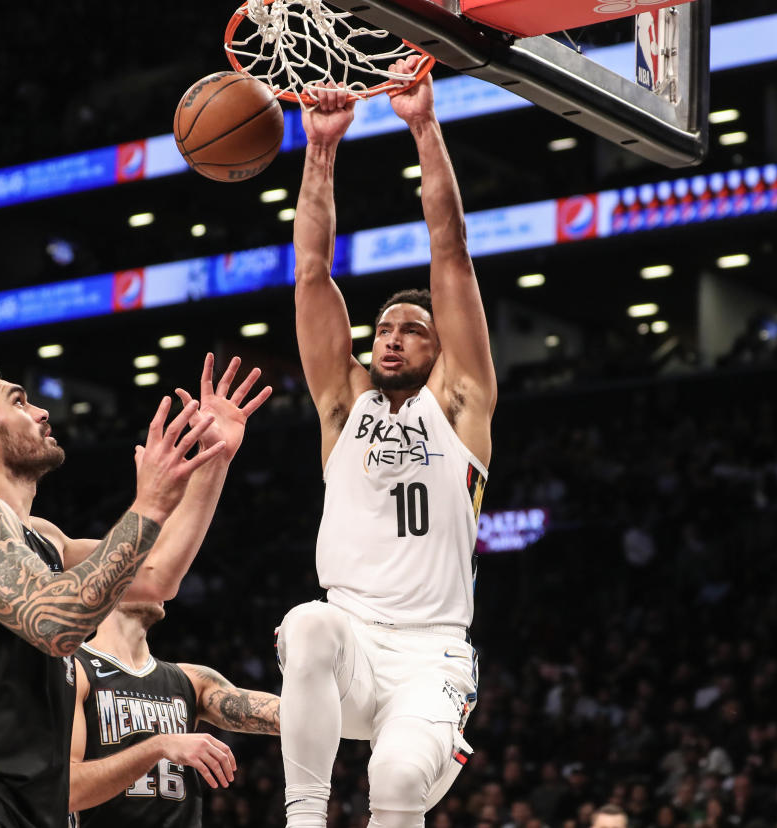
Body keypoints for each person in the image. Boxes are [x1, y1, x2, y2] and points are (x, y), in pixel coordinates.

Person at [0, 354, 270, 828]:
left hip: (36, 804)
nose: (42, 412)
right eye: (20, 402)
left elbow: (156, 575)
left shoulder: (44, 536)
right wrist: (149, 503)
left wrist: (214, 459)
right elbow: (55, 625)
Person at [278, 56, 499, 828]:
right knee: (307, 622)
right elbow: (311, 273)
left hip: (432, 653)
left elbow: (450, 252)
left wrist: (424, 126)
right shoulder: (344, 405)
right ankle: (303, 818)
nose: (393, 336)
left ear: (445, 353)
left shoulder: (462, 404)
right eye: (384, 328)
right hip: (351, 644)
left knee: (399, 781)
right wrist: (322, 148)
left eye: (414, 328)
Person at [68, 596, 280, 827]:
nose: (161, 587)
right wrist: (159, 746)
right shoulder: (73, 669)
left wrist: (309, 657)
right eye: (145, 572)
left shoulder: (191, 680)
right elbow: (68, 791)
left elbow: (287, 716)